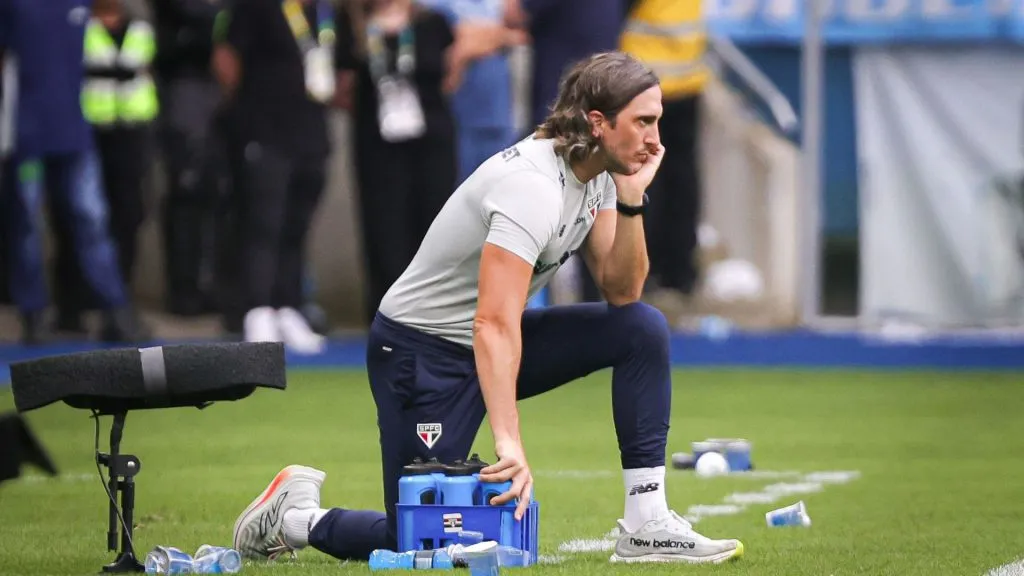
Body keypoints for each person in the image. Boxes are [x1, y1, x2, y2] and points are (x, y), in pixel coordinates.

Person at [230, 52, 744, 565]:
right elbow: (493, 325)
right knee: (420, 540)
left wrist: (631, 200)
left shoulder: (603, 169)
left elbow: (621, 291)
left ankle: (646, 522)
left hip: (481, 340)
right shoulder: (532, 189)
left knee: (641, 328)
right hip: (420, 352)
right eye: (644, 122)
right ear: (597, 123)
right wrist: (509, 444)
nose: (656, 138)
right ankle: (297, 519)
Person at [0, 0, 147, 344]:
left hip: (75, 133)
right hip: (28, 135)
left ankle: (115, 310)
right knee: (26, 227)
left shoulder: (80, 3)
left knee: (92, 221)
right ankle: (34, 314)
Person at [211, 0, 332, 354]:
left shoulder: (323, 12)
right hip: (265, 129)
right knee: (263, 221)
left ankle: (288, 306)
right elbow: (226, 59)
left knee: (297, 224)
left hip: (310, 132)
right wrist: (242, 115)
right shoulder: (256, 7)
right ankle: (256, 308)